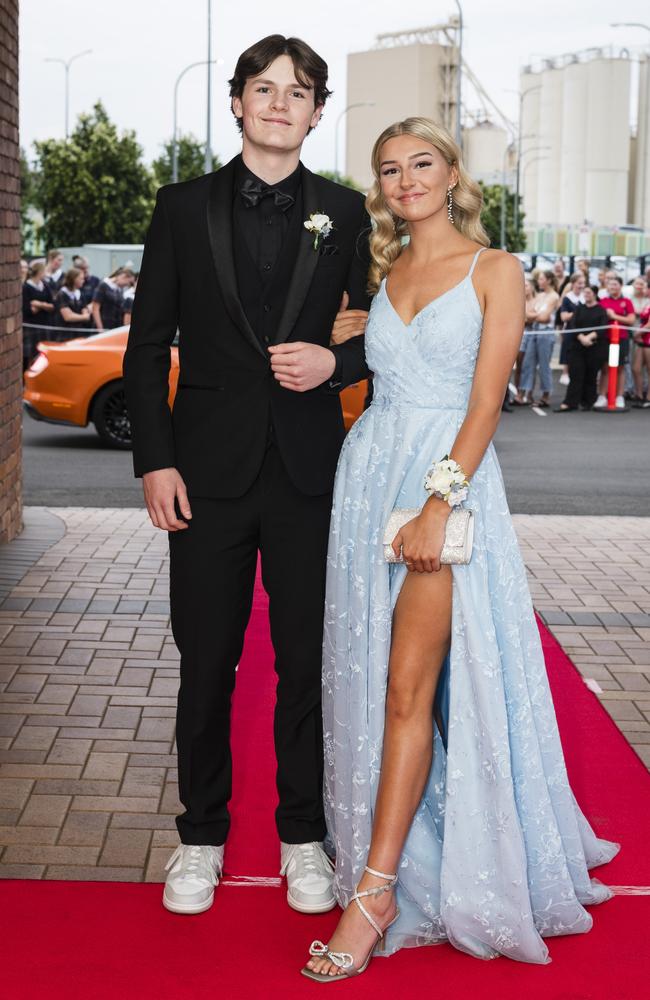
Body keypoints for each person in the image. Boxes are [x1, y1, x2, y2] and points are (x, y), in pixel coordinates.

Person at [303, 116, 619, 982]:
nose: (405, 180)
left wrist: (440, 503)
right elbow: (370, 368)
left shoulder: (496, 270)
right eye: (389, 169)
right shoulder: (382, 270)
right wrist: (343, 339)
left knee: (410, 689)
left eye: (421, 164)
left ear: (452, 177)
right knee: (375, 681)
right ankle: (397, 855)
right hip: (367, 475)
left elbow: (485, 405)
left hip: (446, 482)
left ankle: (373, 894)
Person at [123, 34, 370, 919]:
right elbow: (148, 345)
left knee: (305, 661)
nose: (278, 104)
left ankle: (304, 835)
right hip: (204, 474)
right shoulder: (182, 206)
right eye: (263, 89)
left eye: (297, 92)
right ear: (237, 102)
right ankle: (202, 838)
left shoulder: (344, 212)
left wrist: (334, 367)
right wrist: (155, 460)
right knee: (206, 663)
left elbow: (384, 331)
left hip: (307, 474)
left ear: (315, 110)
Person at [555, 284, 609, 412]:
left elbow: (603, 327)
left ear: (595, 294)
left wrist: (590, 337)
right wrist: (581, 337)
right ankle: (570, 402)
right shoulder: (579, 309)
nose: (586, 295)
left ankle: (588, 401)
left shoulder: (601, 310)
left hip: (594, 347)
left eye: (589, 292)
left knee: (591, 375)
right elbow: (572, 325)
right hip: (578, 346)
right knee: (576, 373)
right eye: (585, 293)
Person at [517, 269, 559, 407]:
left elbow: (545, 317)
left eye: (541, 279)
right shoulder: (540, 296)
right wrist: (536, 315)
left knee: (544, 365)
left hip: (545, 334)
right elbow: (529, 314)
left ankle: (546, 395)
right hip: (534, 332)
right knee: (528, 364)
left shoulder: (553, 296)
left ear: (549, 280)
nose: (539, 282)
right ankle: (523, 393)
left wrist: (534, 315)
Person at [594, 273, 635, 409]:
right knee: (605, 367)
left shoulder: (627, 302)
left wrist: (614, 316)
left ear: (620, 286)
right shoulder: (603, 301)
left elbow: (631, 320)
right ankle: (602, 395)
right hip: (606, 339)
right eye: (610, 284)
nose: (613, 287)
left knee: (620, 368)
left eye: (615, 284)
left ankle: (619, 396)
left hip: (621, 339)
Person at [558, 271, 586, 385]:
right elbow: (564, 316)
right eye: (579, 283)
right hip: (570, 329)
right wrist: (579, 312)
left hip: (584, 330)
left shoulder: (586, 296)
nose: (581, 285)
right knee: (568, 350)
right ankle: (565, 372)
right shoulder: (567, 298)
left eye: (583, 283)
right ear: (573, 283)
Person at [54, 267, 93, 332]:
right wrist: (83, 317)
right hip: (65, 332)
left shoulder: (80, 293)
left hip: (79, 331)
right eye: (81, 279)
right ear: (74, 279)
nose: (83, 281)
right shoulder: (62, 294)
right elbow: (68, 317)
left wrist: (82, 316)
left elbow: (85, 312)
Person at [22, 259, 55, 327]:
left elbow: (52, 306)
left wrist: (40, 304)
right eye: (44, 271)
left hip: (46, 322)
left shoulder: (45, 285)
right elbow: (28, 309)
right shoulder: (26, 287)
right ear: (40, 272)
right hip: (32, 323)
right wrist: (45, 306)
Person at [632, 303, 650, 406]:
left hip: (648, 339)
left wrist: (636, 334)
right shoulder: (647, 303)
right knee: (636, 368)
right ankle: (639, 395)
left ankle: (648, 398)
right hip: (642, 338)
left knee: (649, 369)